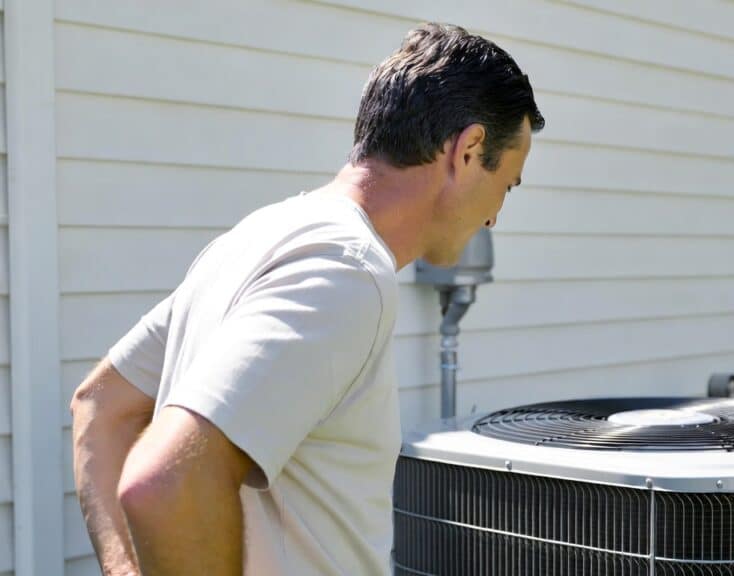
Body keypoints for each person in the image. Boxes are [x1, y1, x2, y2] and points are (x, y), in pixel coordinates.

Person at [70, 22, 545, 575]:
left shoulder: (256, 237)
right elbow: (164, 483)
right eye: (507, 185)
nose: (494, 216)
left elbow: (101, 406)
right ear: (468, 151)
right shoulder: (345, 272)